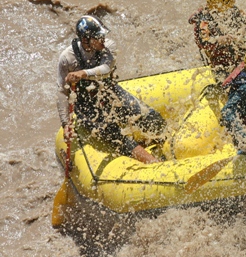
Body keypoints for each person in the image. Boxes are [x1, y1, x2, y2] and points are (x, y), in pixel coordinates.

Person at [57, 15, 166, 164]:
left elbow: (106, 69)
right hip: (86, 106)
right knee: (115, 135)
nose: (102, 40)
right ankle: (155, 164)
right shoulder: (67, 59)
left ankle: (166, 146)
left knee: (152, 118)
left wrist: (83, 73)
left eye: (102, 36)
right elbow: (62, 92)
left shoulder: (109, 46)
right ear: (85, 40)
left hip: (109, 92)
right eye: (98, 37)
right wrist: (66, 124)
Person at [188, 0, 246, 80]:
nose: (230, 9)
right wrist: (219, 40)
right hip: (217, 58)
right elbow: (203, 42)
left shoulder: (233, 9)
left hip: (235, 50)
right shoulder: (204, 20)